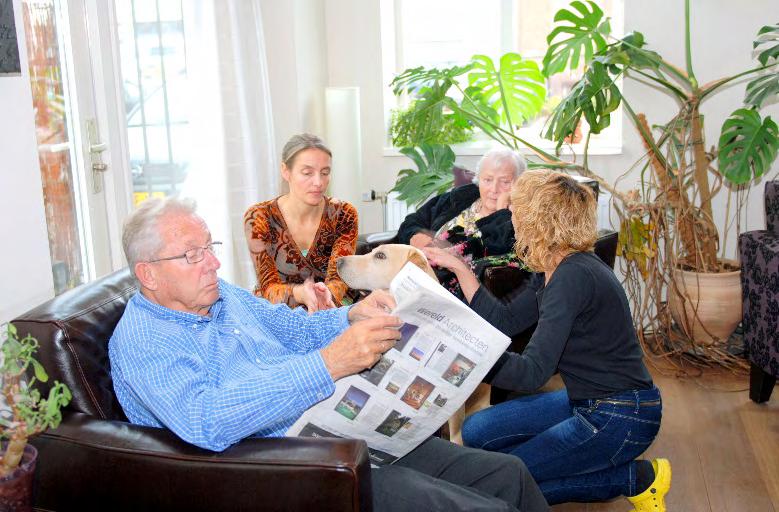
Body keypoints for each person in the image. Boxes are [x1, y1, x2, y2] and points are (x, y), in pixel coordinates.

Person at [109, 197, 549, 512]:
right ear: (149, 274)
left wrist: (350, 317)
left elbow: (296, 330)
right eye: (193, 255)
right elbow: (205, 420)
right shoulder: (144, 341)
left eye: (210, 248)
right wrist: (331, 362)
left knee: (508, 475)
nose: (214, 265)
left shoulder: (221, 295)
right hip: (277, 468)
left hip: (333, 429)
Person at [423, 170, 672, 511]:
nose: (511, 215)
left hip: (621, 416)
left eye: (518, 210)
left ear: (540, 220)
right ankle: (556, 462)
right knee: (479, 429)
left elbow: (532, 373)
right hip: (585, 399)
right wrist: (460, 268)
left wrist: (470, 352)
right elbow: (504, 321)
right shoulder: (554, 268)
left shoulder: (573, 277)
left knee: (503, 482)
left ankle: (638, 478)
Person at [244, 133, 358, 311]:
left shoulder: (344, 214)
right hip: (277, 310)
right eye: (307, 173)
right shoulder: (259, 217)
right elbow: (268, 287)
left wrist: (324, 295)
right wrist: (301, 293)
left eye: (325, 173)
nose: (318, 182)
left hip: (330, 304)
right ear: (285, 171)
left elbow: (339, 278)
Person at [397, 147, 526, 256]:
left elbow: (495, 254)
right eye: (488, 180)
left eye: (505, 182)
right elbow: (412, 221)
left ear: (518, 183)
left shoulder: (518, 220)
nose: (494, 189)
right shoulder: (458, 198)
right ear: (478, 179)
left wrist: (502, 212)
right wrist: (415, 235)